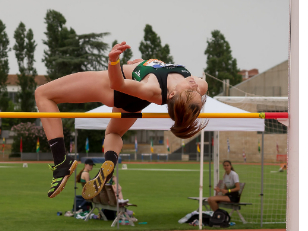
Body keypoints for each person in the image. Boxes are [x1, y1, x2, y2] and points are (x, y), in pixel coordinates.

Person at [34, 41, 208, 199]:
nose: (195, 86)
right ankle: (110, 161)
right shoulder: (197, 85)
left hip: (114, 88)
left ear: (171, 95)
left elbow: (118, 85)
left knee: (43, 94)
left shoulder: (153, 89)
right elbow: (168, 74)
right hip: (133, 101)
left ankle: (61, 162)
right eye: (196, 92)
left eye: (190, 91)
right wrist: (142, 64)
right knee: (114, 132)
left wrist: (113, 60)